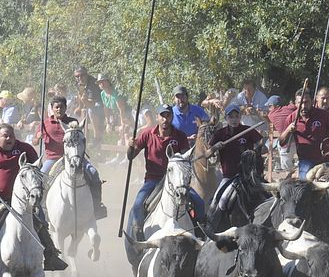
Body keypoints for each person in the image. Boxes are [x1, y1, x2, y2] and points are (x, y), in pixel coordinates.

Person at [0, 124, 68, 277]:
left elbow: (36, 169)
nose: (9, 139)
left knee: (41, 222)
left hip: (23, 201)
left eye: (11, 136)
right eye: (5, 136)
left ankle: (50, 255)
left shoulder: (25, 149)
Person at [126, 104, 206, 239]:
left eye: (168, 116)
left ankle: (200, 234)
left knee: (199, 202)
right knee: (138, 203)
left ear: (172, 117)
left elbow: (186, 157)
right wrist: (130, 146)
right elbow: (130, 156)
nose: (165, 119)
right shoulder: (147, 134)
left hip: (176, 181)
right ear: (157, 117)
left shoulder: (179, 136)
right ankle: (138, 234)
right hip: (153, 179)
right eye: (162, 116)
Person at [37, 96, 107, 219]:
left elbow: (82, 139)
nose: (59, 109)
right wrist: (37, 137)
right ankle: (39, 209)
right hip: (53, 158)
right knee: (40, 179)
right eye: (56, 107)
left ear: (65, 108)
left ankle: (97, 206)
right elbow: (34, 142)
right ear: (52, 108)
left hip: (75, 157)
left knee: (94, 173)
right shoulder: (44, 124)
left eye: (61, 107)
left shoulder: (73, 122)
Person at [205, 103, 262, 227]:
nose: (234, 120)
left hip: (248, 176)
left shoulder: (247, 130)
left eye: (236, 116)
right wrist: (215, 147)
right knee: (220, 200)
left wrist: (256, 150)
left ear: (240, 117)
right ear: (226, 118)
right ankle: (212, 226)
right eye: (231, 117)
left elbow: (262, 145)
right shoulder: (219, 134)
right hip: (229, 177)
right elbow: (206, 154)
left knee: (266, 195)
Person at [279, 87, 329, 179]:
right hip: (306, 160)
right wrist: (288, 130)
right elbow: (282, 143)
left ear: (312, 102)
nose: (303, 106)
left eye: (306, 102)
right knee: (305, 183)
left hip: (326, 159)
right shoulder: (291, 118)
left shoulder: (324, 115)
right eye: (300, 103)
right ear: (295, 103)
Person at [73, 67, 104, 148]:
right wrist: (79, 107)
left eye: (82, 75)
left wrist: (84, 101)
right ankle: (78, 137)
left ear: (86, 74)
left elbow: (91, 103)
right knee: (76, 113)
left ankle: (96, 137)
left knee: (90, 110)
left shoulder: (92, 84)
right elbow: (81, 94)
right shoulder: (78, 83)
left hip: (101, 104)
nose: (79, 78)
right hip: (89, 103)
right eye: (77, 76)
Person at [265, 95, 296, 171]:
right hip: (299, 142)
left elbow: (266, 120)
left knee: (287, 168)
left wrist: (257, 113)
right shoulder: (291, 108)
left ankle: (279, 166)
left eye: (269, 106)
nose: (268, 109)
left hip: (286, 144)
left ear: (275, 106)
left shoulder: (271, 114)